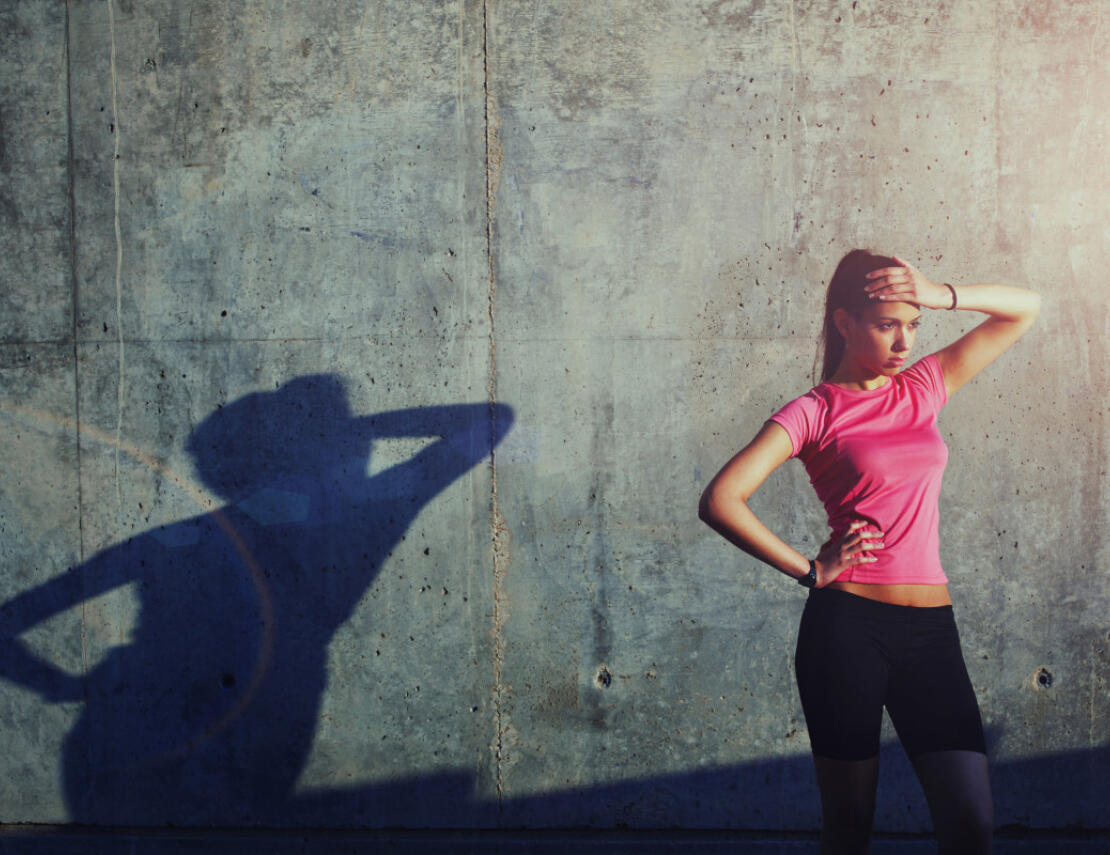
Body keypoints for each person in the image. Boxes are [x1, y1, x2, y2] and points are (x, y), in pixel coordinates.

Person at [698, 250, 1040, 854]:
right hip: (848, 628)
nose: (904, 340)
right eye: (887, 325)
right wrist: (809, 568)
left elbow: (1025, 309)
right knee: (851, 826)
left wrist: (937, 293)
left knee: (970, 821)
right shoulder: (814, 411)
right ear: (844, 322)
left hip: (932, 630)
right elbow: (722, 499)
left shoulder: (924, 387)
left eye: (913, 325)